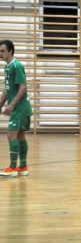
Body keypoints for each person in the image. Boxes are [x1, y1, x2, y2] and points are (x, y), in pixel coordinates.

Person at [0, 40, 33, 177]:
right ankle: (23, 167)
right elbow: (8, 89)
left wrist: (12, 104)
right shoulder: (7, 67)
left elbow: (23, 87)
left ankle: (13, 168)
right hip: (18, 108)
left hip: (20, 108)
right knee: (20, 136)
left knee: (10, 135)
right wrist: (1, 104)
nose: (0, 53)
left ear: (10, 51)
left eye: (2, 51)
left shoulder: (17, 66)